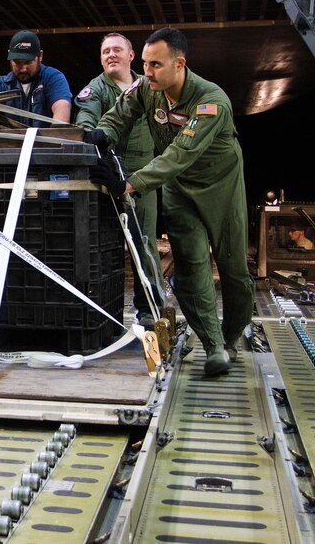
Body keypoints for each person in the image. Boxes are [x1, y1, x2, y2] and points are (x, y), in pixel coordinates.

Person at [88, 27, 254, 377]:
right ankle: (212, 346)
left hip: (220, 186)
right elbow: (120, 114)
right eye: (145, 64)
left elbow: (181, 153)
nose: (147, 72)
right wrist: (102, 135)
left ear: (180, 64)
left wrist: (129, 184)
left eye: (156, 65)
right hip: (179, 189)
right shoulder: (147, 89)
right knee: (192, 266)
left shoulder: (212, 101)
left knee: (233, 269)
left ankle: (230, 336)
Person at [75, 33, 164, 327]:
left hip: (143, 178)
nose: (110, 55)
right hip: (106, 176)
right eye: (105, 52)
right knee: (100, 245)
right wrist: (89, 135)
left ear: (131, 55)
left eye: (116, 50)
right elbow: (86, 117)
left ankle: (151, 310)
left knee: (145, 244)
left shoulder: (151, 85)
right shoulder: (96, 89)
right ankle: (102, 311)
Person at [0, 30, 72, 128]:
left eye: (28, 62)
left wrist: (54, 139)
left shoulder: (53, 78)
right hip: (11, 145)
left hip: (45, 145)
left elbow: (62, 108)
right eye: (17, 62)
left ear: (40, 56)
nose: (23, 69)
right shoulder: (0, 86)